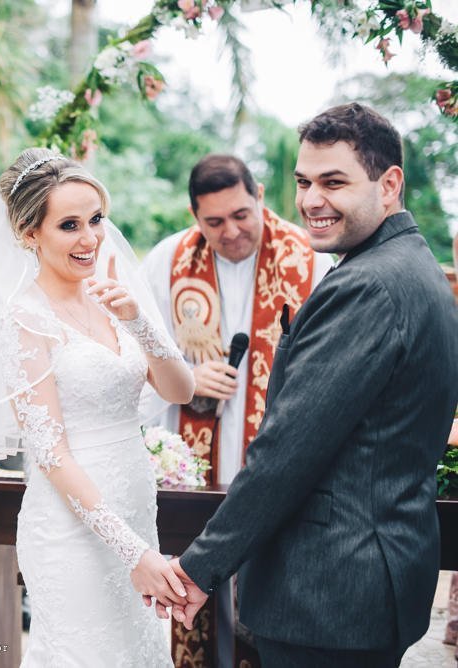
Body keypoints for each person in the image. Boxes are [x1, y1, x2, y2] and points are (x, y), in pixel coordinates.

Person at [162, 103, 458, 667]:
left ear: (389, 183)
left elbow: (288, 451)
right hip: (369, 581)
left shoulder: (368, 286)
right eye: (303, 182)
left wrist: (199, 568)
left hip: (330, 590)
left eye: (334, 182)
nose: (311, 200)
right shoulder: (413, 265)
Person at [0, 149, 196, 665]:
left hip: (137, 505)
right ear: (30, 233)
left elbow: (180, 390)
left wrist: (139, 320)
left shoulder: (113, 296)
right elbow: (53, 456)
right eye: (69, 225)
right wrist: (133, 553)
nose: (90, 238)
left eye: (96, 219)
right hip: (72, 527)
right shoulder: (23, 320)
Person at [141, 154, 333, 666]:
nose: (230, 232)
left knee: (265, 614)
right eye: (214, 221)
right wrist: (183, 379)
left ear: (261, 195)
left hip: (277, 463)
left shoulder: (311, 259)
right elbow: (131, 360)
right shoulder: (166, 262)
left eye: (241, 215)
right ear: (193, 215)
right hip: (195, 466)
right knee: (198, 604)